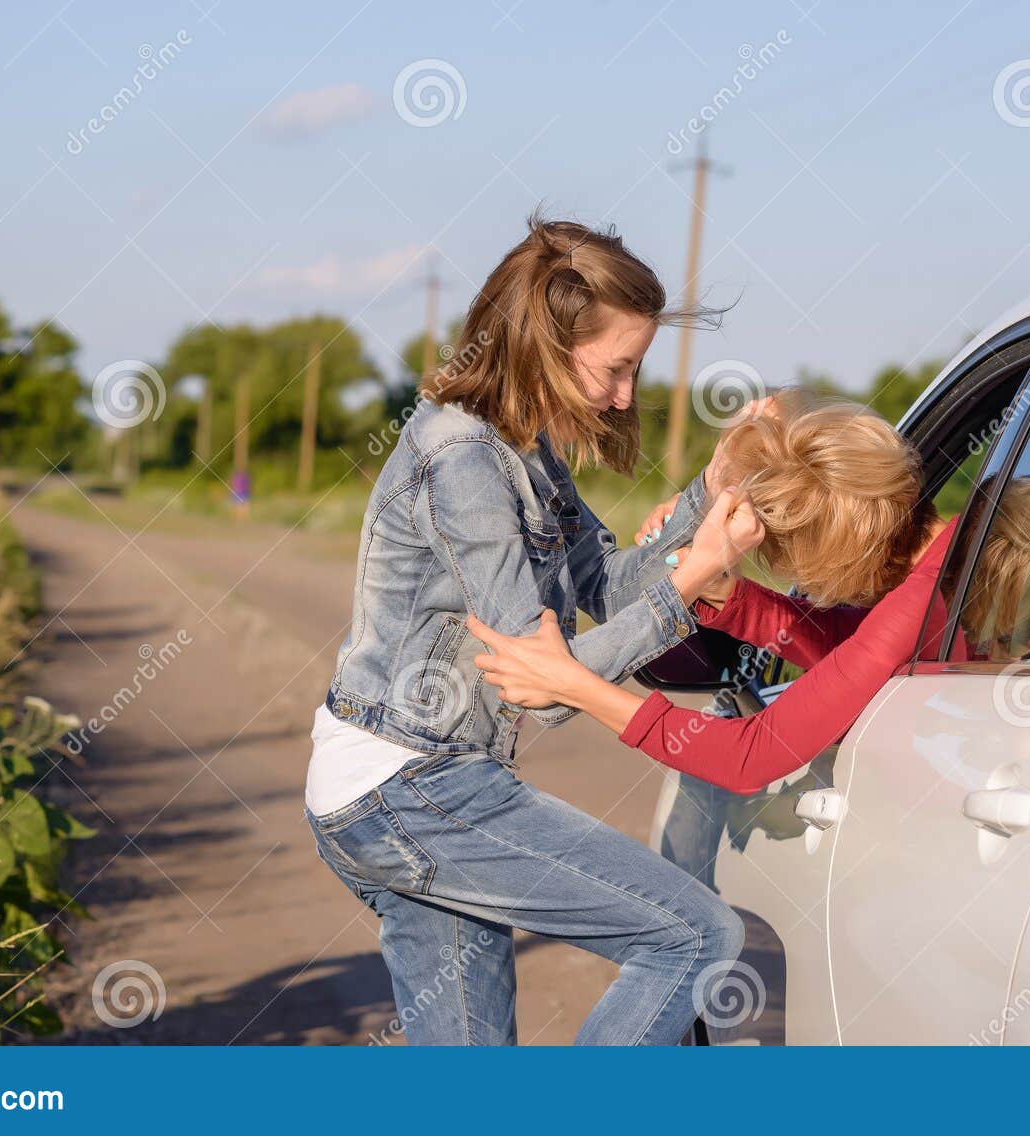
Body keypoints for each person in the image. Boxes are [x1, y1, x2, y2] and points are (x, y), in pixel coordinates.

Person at [304, 215, 751, 1046]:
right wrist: (689, 580)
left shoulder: (528, 449)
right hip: (410, 787)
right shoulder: (462, 457)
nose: (625, 397)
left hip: (404, 789)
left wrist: (710, 491)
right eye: (616, 369)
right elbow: (541, 691)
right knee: (695, 937)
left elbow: (609, 590)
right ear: (548, 341)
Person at [472, 400, 1030, 797]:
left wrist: (579, 685)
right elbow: (853, 650)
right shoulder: (954, 550)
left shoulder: (919, 604)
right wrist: (733, 597)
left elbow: (749, 756)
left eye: (793, 556)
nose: (797, 573)